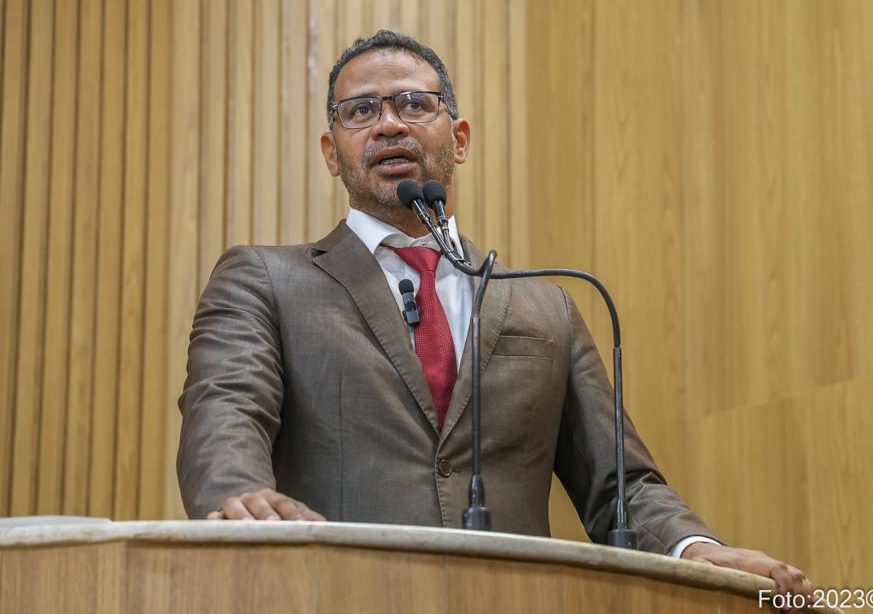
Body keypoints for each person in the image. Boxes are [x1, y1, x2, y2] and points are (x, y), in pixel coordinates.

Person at [177, 29, 812, 598]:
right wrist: (237, 497)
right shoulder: (267, 280)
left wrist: (696, 550)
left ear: (459, 139)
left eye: (413, 103)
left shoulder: (547, 304)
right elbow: (227, 407)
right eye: (361, 111)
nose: (389, 124)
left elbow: (620, 484)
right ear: (330, 151)